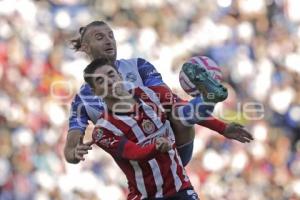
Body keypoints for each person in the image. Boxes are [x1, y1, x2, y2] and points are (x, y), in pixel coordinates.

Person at [64, 20, 253, 165]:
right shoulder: (83, 100)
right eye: (99, 37)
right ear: (86, 47)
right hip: (138, 160)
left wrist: (222, 127)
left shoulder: (139, 67)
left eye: (110, 35)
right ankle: (207, 98)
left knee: (176, 111)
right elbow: (71, 146)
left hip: (170, 145)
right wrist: (73, 153)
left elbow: (171, 102)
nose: (108, 41)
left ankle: (208, 98)